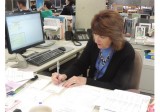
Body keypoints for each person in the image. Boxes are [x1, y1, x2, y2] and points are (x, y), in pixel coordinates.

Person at [52, 10, 135, 90]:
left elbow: (117, 86)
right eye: (95, 34)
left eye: (102, 37)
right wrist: (65, 75)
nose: (96, 40)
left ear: (114, 37)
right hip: (90, 89)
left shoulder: (126, 52)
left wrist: (86, 81)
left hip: (108, 94)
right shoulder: (94, 41)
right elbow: (81, 64)